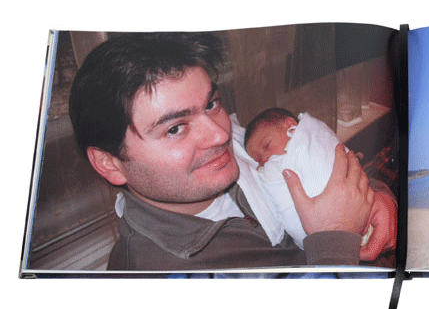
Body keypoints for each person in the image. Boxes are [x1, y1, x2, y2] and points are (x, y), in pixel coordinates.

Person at [68, 32, 396, 271]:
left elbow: (319, 163)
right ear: (110, 164)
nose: (220, 132)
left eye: (211, 104)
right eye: (174, 128)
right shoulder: (151, 275)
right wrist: (335, 241)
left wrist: (377, 198)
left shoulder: (241, 139)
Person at [241, 107, 380, 249]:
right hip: (333, 239)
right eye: (259, 161)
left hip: (365, 205)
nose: (266, 159)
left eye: (267, 145)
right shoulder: (277, 164)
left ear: (291, 126)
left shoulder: (311, 134)